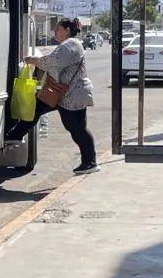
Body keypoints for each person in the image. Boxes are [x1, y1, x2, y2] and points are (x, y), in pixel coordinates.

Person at [7, 19, 97, 173]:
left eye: (58, 29)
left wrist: (34, 60)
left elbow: (53, 62)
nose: (55, 32)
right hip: (61, 93)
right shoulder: (68, 45)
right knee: (35, 108)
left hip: (72, 94)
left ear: (67, 29)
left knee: (77, 128)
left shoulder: (72, 44)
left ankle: (90, 162)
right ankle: (15, 135)